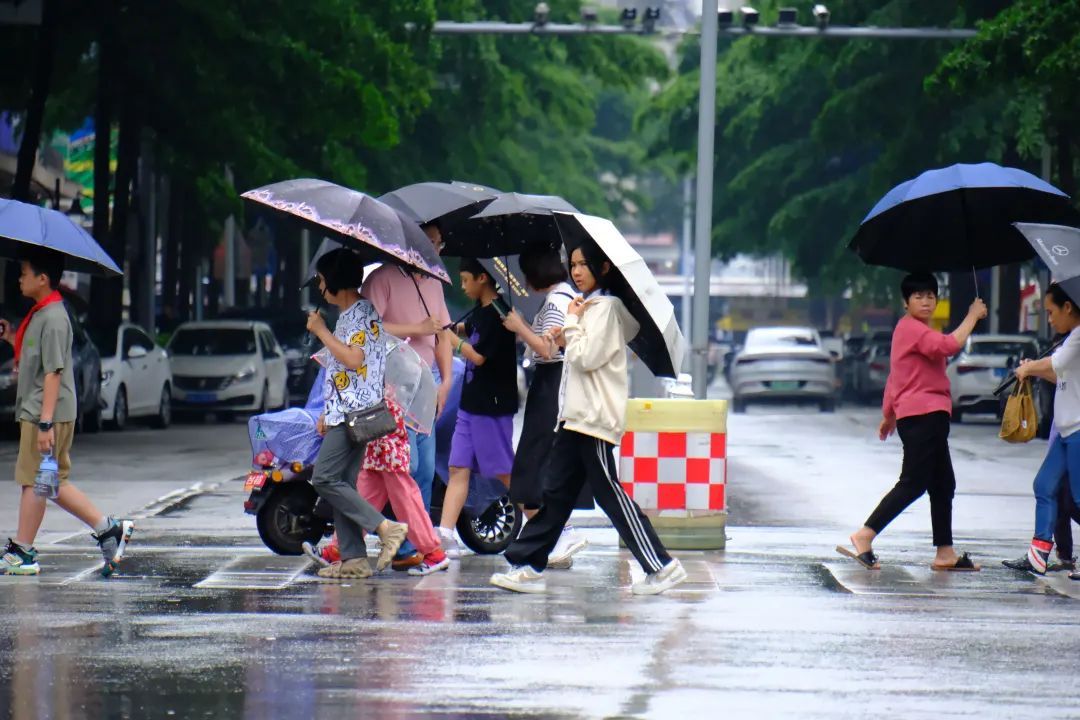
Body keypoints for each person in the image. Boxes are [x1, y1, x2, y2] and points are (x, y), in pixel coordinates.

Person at [489, 240, 687, 595]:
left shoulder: (608, 309)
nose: (576, 272)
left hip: (593, 418)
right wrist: (567, 329)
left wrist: (570, 326)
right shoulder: (589, 307)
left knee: (610, 494)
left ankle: (662, 565)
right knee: (555, 494)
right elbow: (571, 353)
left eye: (584, 265)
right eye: (574, 264)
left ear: (603, 269)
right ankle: (527, 564)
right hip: (575, 417)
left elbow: (584, 358)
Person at [837, 272, 986, 571]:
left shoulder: (909, 330)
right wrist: (972, 317)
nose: (926, 301)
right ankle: (864, 535)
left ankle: (945, 552)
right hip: (924, 415)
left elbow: (896, 375)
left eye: (930, 295)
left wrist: (889, 414)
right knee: (914, 482)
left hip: (923, 415)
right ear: (906, 302)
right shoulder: (913, 329)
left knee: (943, 483)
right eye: (918, 296)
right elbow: (948, 346)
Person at [0, 249, 134, 577]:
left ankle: (23, 552)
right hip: (43, 412)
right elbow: (35, 355)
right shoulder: (42, 313)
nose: (20, 278)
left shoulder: (55, 317)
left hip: (46, 414)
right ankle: (108, 529)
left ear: (42, 279)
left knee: (35, 481)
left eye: (25, 272)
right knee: (49, 481)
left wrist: (45, 422)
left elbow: (53, 373)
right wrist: (10, 335)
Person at [306, 248, 409, 580]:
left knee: (324, 478)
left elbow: (354, 360)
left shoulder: (362, 314)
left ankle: (385, 527)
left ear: (335, 280)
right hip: (344, 410)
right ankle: (354, 559)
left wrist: (321, 331)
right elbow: (344, 370)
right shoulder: (350, 315)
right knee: (343, 483)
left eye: (321, 281)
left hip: (355, 413)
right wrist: (327, 409)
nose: (320, 288)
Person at [361, 222, 453, 570]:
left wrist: (444, 382)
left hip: (425, 382)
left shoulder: (434, 283)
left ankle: (414, 545)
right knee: (405, 466)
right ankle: (401, 543)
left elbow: (442, 334)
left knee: (426, 469)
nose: (434, 249)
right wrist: (416, 329)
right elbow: (369, 328)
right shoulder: (382, 279)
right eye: (428, 242)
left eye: (438, 243)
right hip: (392, 383)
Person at [500, 247, 588, 568]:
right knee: (542, 466)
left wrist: (519, 327)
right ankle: (546, 539)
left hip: (552, 384)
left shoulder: (555, 302)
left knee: (531, 467)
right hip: (557, 385)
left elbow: (549, 349)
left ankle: (560, 532)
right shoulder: (568, 295)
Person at [303, 397, 450, 576]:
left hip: (383, 419)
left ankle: (432, 550)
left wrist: (329, 411)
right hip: (376, 419)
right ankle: (341, 547)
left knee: (402, 493)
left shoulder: (388, 370)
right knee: (368, 489)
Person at [437, 258, 519, 555]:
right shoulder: (480, 312)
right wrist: (445, 328)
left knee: (503, 471)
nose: (462, 285)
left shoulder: (500, 314)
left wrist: (454, 342)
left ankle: (553, 525)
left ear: (482, 278)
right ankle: (445, 534)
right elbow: (466, 328)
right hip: (470, 406)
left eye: (465, 279)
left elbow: (479, 356)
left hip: (491, 407)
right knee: (458, 467)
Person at [1003, 283, 1080, 575]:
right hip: (1065, 430)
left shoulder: (1079, 336)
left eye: (1050, 312)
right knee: (1044, 486)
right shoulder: (1072, 338)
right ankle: (1039, 552)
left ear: (1068, 308)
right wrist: (1031, 368)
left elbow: (1056, 363)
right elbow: (1057, 373)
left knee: (1077, 498)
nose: (1049, 319)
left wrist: (1031, 367)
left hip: (1078, 431)